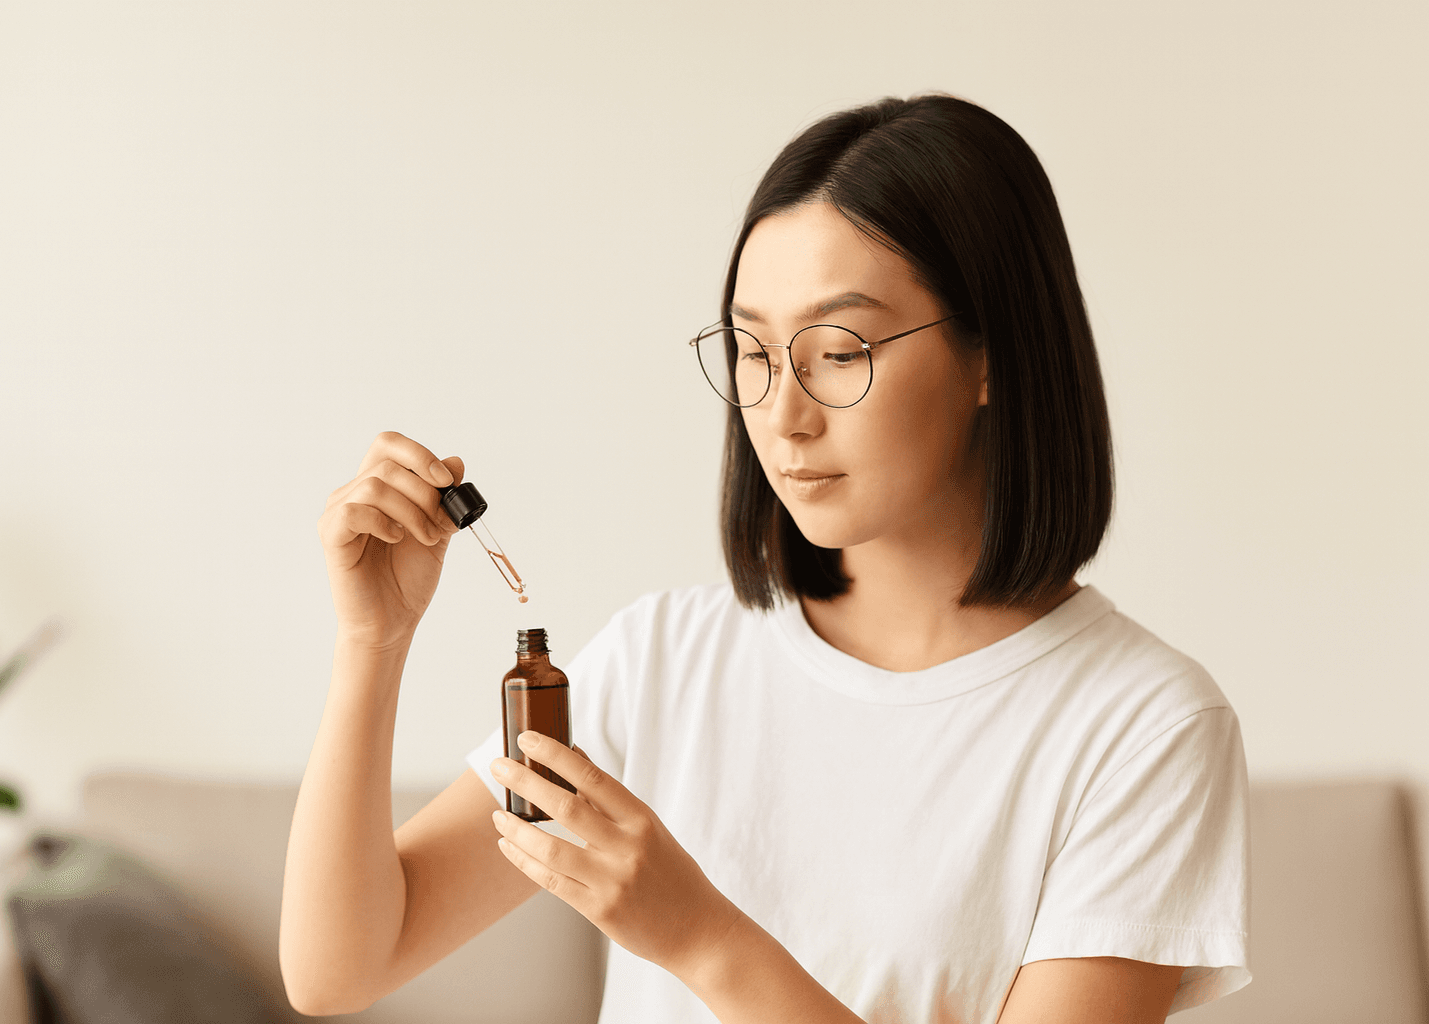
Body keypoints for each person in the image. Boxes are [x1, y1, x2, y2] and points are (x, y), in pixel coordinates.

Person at [279, 93, 1250, 1024]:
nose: (781, 414)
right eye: (751, 352)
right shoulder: (662, 660)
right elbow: (341, 967)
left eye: (838, 350)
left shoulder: (1145, 727)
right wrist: (375, 640)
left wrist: (698, 934)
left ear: (990, 350)